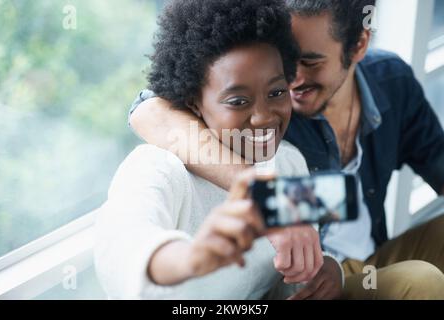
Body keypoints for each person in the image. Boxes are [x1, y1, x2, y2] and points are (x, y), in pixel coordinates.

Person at [129, 0, 444, 299]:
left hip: (360, 263)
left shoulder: (391, 79)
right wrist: (263, 195)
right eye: (285, 60)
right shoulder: (265, 125)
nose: (292, 79)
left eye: (310, 62)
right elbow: (150, 110)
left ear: (359, 45)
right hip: (304, 282)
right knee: (421, 282)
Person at [94, 0, 343, 300]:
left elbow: (290, 275)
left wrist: (328, 270)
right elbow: (122, 245)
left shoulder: (290, 163)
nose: (264, 116)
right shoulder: (158, 169)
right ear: (193, 102)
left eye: (276, 92)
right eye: (238, 101)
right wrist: (191, 258)